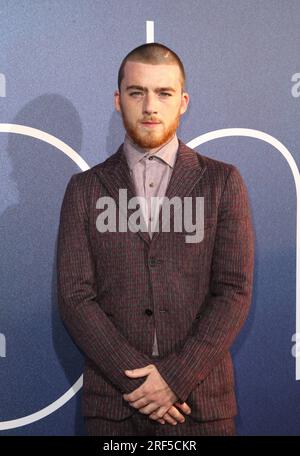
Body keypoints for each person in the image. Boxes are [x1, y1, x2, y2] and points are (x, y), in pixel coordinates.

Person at [57, 42, 254, 436]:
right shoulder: (84, 189)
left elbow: (233, 291)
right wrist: (138, 383)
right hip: (114, 411)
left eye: (163, 93)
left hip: (200, 408)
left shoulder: (222, 182)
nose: (150, 106)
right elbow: (75, 296)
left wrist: (174, 380)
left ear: (182, 102)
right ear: (118, 100)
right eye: (137, 92)